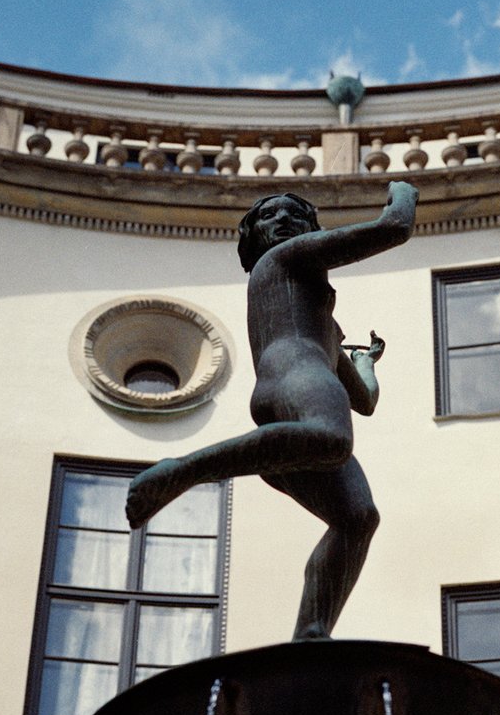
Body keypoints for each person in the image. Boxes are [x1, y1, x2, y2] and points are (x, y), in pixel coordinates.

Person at [124, 181, 419, 639]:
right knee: (333, 439)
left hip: (298, 394)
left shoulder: (319, 316)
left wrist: (363, 362)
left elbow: (364, 400)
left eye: (295, 214)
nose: (282, 220)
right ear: (253, 238)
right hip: (296, 379)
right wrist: (403, 193)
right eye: (268, 216)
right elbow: (394, 228)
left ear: (309, 227)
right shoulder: (282, 259)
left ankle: (311, 631)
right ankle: (180, 471)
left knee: (358, 519)